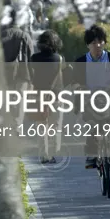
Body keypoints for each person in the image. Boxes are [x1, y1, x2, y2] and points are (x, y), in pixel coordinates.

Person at [75, 25, 110, 174]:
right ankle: (91, 153)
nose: (97, 45)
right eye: (93, 42)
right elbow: (75, 83)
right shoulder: (80, 62)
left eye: (100, 41)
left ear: (104, 42)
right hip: (90, 100)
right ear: (87, 44)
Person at [29, 30, 63, 163]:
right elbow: (61, 78)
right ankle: (53, 153)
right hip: (55, 96)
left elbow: (31, 78)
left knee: (41, 126)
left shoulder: (34, 59)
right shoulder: (59, 59)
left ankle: (44, 155)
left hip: (39, 96)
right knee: (55, 126)